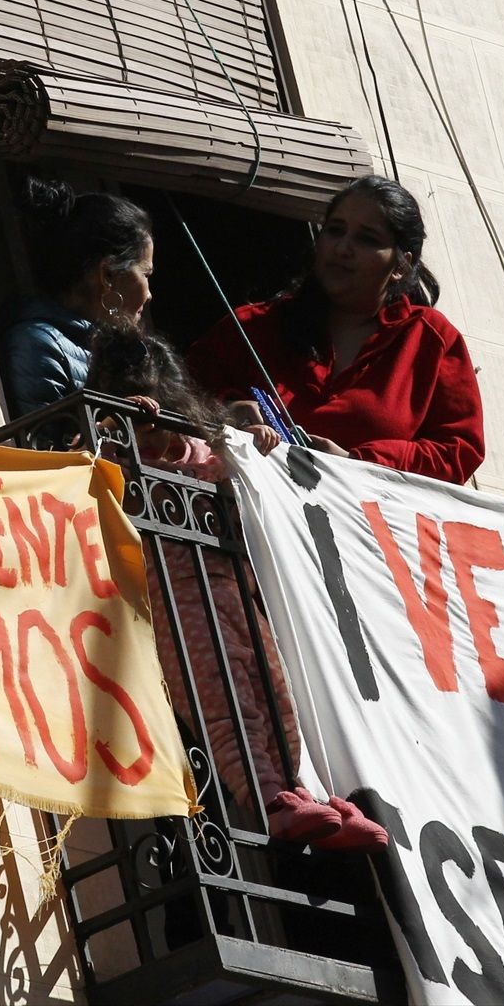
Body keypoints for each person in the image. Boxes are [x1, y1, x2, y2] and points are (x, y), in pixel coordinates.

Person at [86, 324, 384, 852]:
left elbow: (242, 476)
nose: (152, 434)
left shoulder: (202, 449)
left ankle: (304, 790)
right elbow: (78, 464)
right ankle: (270, 801)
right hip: (178, 603)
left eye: (159, 415)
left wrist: (257, 445)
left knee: (281, 695)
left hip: (241, 595)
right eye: (139, 421)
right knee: (222, 696)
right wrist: (111, 425)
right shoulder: (111, 458)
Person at [190, 175, 485, 485]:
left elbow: (458, 452)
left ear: (401, 266)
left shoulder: (431, 339)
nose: (343, 248)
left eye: (367, 239)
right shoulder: (252, 325)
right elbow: (179, 391)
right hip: (235, 518)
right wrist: (228, 409)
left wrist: (356, 463)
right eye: (335, 231)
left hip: (363, 527)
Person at [0, 178, 155, 417]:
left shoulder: (118, 350)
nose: (150, 294)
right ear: (108, 275)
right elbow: (49, 450)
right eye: (146, 274)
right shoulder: (40, 344)